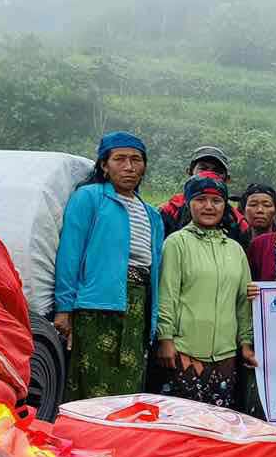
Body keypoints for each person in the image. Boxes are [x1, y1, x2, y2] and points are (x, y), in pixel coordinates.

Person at [53, 131, 165, 400]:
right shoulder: (90, 198)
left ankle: (120, 441)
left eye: (136, 160)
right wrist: (64, 308)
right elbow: (70, 253)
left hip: (138, 305)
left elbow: (155, 267)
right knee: (92, 384)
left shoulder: (152, 214)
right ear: (104, 165)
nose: (129, 167)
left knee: (129, 385)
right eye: (120, 159)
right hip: (96, 306)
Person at [155, 175, 255, 408]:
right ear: (189, 203)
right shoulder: (176, 243)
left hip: (226, 355)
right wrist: (165, 339)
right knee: (185, 424)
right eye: (201, 199)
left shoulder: (235, 249)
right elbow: (167, 294)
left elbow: (243, 302)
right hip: (184, 350)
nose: (209, 206)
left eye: (216, 201)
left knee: (219, 426)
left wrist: (246, 343)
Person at [158, 145, 252, 246]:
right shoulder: (169, 210)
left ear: (227, 179)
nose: (209, 174)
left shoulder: (236, 221)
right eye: (203, 168)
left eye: (217, 171)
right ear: (189, 172)